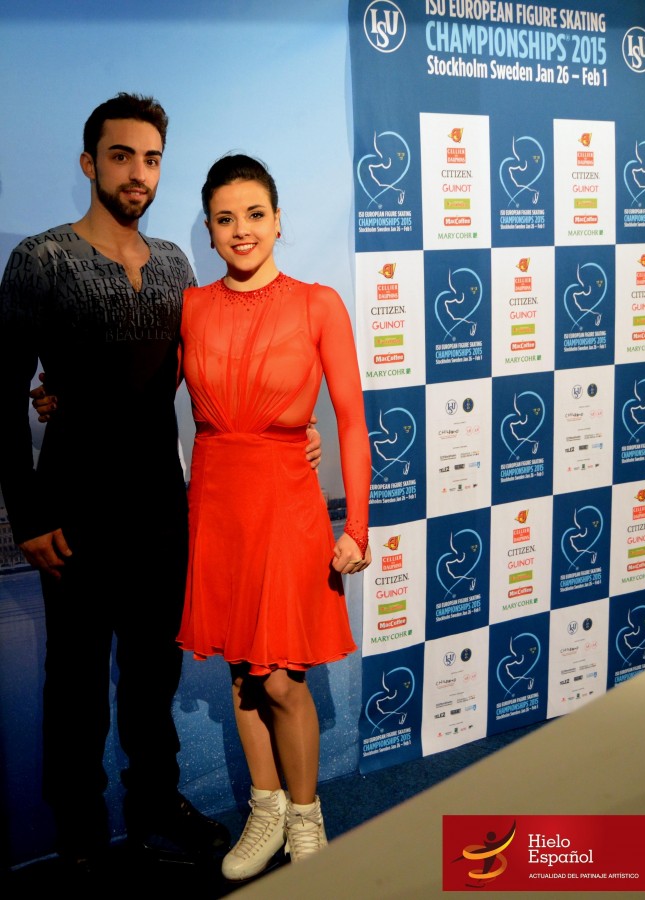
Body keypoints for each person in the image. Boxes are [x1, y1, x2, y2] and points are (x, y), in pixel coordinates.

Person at [0, 93, 322, 875]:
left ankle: (155, 805)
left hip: (161, 507)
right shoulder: (40, 260)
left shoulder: (177, 265)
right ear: (90, 163)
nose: (137, 173)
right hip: (71, 509)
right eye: (121, 156)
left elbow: (208, 370)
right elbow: (6, 392)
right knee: (75, 683)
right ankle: (80, 834)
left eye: (150, 159)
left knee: (153, 675)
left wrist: (290, 428)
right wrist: (29, 515)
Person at [175, 153, 371, 882]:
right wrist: (58, 397)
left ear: (279, 220)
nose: (242, 230)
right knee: (241, 674)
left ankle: (306, 817)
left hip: (287, 504)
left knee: (283, 679)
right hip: (217, 503)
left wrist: (358, 527)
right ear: (209, 230)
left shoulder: (319, 304)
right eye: (225, 218)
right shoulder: (190, 308)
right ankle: (266, 811)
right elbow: (135, 391)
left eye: (255, 214)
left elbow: (351, 420)